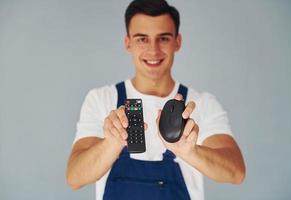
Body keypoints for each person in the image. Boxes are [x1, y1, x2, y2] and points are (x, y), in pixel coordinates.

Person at [66, 0, 246, 199]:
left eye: (164, 38)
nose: (153, 50)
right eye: (142, 39)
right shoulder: (101, 99)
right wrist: (112, 144)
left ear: (178, 41)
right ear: (128, 43)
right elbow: (75, 178)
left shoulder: (201, 104)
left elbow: (236, 173)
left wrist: (189, 152)